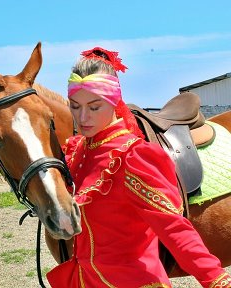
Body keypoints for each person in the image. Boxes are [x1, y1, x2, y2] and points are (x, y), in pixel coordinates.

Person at [46, 47, 231, 288]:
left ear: (114, 102)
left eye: (94, 107)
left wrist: (216, 281)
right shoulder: (76, 152)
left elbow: (175, 230)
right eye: (74, 106)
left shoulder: (134, 157)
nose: (83, 118)